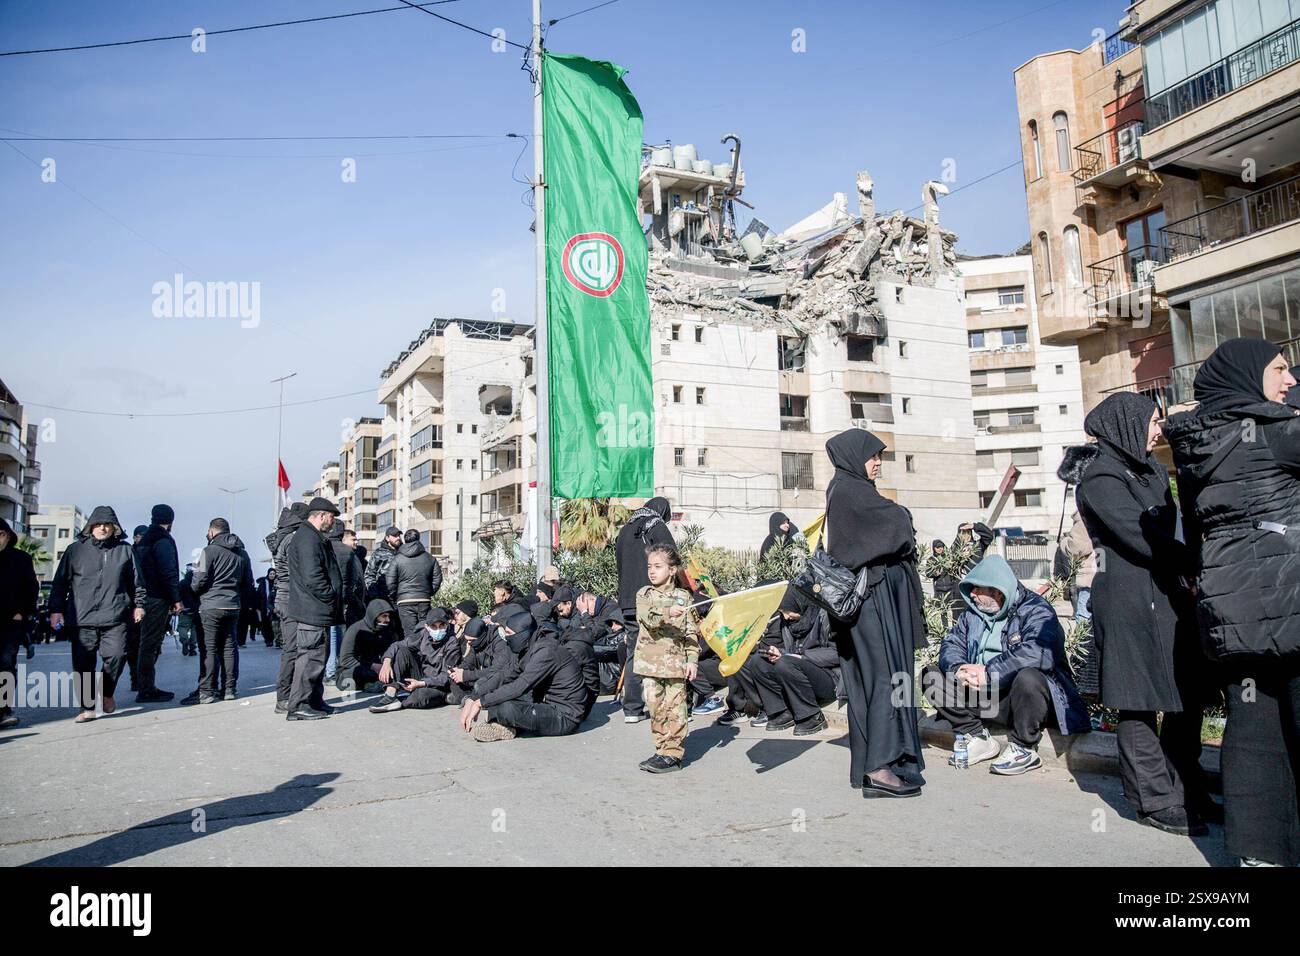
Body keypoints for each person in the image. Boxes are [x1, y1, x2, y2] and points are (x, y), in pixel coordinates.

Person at [1165, 338, 1300, 865]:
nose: (1289, 380)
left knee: (1253, 728)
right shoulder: (1278, 432)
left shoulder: (1198, 445)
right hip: (1290, 601)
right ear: (1249, 376)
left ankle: (1258, 852)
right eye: (1280, 369)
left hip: (1231, 612)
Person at [1063, 391, 1215, 836]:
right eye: (1151, 420)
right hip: (1129, 599)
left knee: (1185, 694)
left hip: (1169, 595)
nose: (1157, 429)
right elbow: (1140, 537)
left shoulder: (1147, 468)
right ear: (1126, 423)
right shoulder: (1100, 477)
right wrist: (1195, 563)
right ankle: (1153, 799)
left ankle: (1187, 787)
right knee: (1138, 700)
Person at [824, 428, 929, 798]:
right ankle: (878, 769)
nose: (878, 463)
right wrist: (901, 517)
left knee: (884, 677)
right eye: (873, 456)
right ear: (855, 456)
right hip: (870, 603)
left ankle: (886, 760)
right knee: (884, 676)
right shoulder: (849, 492)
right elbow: (896, 524)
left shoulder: (851, 490)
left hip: (876, 600)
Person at [925, 554, 1090, 775]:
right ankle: (976, 735)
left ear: (997, 590)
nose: (972, 594)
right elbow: (952, 643)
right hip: (983, 695)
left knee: (1029, 677)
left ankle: (1024, 747)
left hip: (1022, 700)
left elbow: (1039, 651)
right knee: (931, 676)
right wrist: (959, 669)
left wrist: (989, 672)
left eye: (977, 589)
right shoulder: (971, 615)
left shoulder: (1036, 610)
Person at [48, 506, 146, 723]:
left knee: (118, 656)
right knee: (83, 663)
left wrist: (139, 605)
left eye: (107, 524)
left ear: (114, 528)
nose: (103, 528)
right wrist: (56, 610)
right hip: (83, 617)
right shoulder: (75, 550)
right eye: (98, 524)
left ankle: (107, 691)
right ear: (90, 527)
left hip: (116, 615)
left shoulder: (125, 550)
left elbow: (138, 582)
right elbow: (60, 583)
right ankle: (87, 707)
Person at [459, 609, 588, 742]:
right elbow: (504, 675)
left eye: (509, 633)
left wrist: (481, 702)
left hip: (565, 716)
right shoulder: (526, 648)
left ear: (522, 634)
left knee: (506, 708)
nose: (506, 637)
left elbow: (520, 686)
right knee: (497, 698)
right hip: (544, 703)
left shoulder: (545, 651)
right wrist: (474, 697)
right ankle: (506, 725)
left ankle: (507, 727)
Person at [633, 544, 700, 773]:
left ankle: (673, 754)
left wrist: (692, 660)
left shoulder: (684, 598)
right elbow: (647, 617)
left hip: (674, 664)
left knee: (676, 709)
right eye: (650, 566)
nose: (652, 571)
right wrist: (667, 612)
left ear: (672, 570)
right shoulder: (644, 594)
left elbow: (691, 632)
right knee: (655, 708)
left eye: (658, 566)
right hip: (650, 664)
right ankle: (661, 749)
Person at [740, 587, 840, 736]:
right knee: (758, 661)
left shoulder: (825, 616)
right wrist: (779, 652)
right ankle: (781, 712)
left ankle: (812, 716)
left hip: (828, 678)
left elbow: (837, 653)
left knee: (786, 663)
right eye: (782, 612)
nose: (785, 617)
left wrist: (803, 656)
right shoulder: (787, 622)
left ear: (799, 604)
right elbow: (791, 651)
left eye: (787, 611)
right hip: (796, 669)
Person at [614, 496, 676, 723]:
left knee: (634, 651)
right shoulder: (655, 526)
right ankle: (664, 706)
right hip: (652, 600)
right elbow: (671, 558)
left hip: (627, 600)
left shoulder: (625, 530)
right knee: (661, 649)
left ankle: (631, 708)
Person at [184, 518, 255, 704]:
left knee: (209, 648)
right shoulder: (242, 553)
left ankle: (207, 691)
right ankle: (229, 689)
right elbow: (249, 582)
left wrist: (193, 590)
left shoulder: (208, 551)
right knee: (229, 647)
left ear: (211, 531)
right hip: (232, 606)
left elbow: (199, 580)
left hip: (210, 606)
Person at [284, 498, 344, 720]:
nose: (333, 521)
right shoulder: (308, 538)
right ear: (321, 515)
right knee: (310, 658)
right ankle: (299, 705)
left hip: (318, 610)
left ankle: (314, 701)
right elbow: (313, 576)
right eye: (331, 517)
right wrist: (329, 595)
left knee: (318, 657)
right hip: (312, 609)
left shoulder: (312, 536)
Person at [131, 504, 181, 703]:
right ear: (170, 521)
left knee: (142, 643)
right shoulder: (163, 540)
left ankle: (142, 683)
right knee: (150, 644)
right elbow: (168, 571)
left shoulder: (144, 540)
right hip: (156, 597)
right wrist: (176, 598)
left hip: (141, 597)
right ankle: (146, 688)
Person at [369, 607, 456, 713]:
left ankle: (404, 700)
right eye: (434, 626)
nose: (438, 630)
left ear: (447, 625)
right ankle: (390, 695)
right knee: (402, 651)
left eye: (442, 626)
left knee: (420, 697)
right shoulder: (423, 634)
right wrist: (387, 662)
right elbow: (397, 645)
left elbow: (446, 677)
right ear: (427, 627)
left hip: (439, 685)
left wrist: (421, 683)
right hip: (422, 676)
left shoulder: (452, 643)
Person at [268, 502, 308, 713]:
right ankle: (284, 697)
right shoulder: (292, 538)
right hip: (291, 598)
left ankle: (288, 695)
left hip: (285, 597)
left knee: (291, 649)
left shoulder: (284, 536)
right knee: (292, 649)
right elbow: (298, 570)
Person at [0, 517, 39, 729]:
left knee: (5, 664)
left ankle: (3, 710)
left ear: (7, 536)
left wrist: (22, 614)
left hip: (10, 622)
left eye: (0, 534)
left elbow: (31, 589)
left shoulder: (20, 559)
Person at [384, 529, 443, 641]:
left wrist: (395, 596)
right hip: (424, 600)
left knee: (409, 634)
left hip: (404, 600)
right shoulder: (429, 558)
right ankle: (424, 655)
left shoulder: (397, 559)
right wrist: (428, 592)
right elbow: (437, 579)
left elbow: (390, 582)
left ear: (405, 540)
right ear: (419, 538)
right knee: (425, 631)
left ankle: (412, 656)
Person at [326, 523, 366, 683]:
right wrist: (354, 602)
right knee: (336, 638)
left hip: (344, 603)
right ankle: (331, 672)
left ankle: (333, 671)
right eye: (353, 539)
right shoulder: (344, 553)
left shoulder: (349, 553)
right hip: (343, 604)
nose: (356, 542)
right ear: (343, 538)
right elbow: (345, 583)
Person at [446, 616, 518, 704]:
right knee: (453, 678)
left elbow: (497, 669)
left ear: (482, 636)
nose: (469, 643)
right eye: (467, 640)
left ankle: (467, 698)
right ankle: (464, 698)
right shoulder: (476, 643)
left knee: (480, 685)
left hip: (496, 677)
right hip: (481, 675)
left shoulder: (500, 642)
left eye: (471, 640)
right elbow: (469, 661)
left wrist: (466, 675)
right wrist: (459, 671)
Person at [337, 598, 397, 693]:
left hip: (378, 668)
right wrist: (372, 666)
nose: (387, 620)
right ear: (374, 615)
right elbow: (346, 660)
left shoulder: (386, 631)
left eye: (388, 616)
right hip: (353, 670)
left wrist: (387, 665)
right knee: (359, 674)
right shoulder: (355, 630)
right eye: (384, 616)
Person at [1058, 511, 1096, 621]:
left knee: (1084, 619)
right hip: (1108, 575)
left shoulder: (1085, 517)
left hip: (1090, 578)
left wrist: (1064, 542)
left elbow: (1076, 547)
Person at [925, 539, 963, 616]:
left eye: (941, 547)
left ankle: (955, 626)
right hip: (940, 590)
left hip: (951, 588)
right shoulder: (931, 560)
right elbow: (927, 573)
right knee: (943, 613)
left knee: (955, 611)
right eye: (937, 547)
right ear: (934, 548)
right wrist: (935, 574)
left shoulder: (948, 558)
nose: (940, 549)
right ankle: (945, 628)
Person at [364, 526, 402, 601]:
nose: (398, 538)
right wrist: (375, 595)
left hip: (401, 597)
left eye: (399, 535)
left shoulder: (404, 552)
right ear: (387, 538)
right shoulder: (378, 553)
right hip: (383, 597)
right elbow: (369, 574)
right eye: (394, 536)